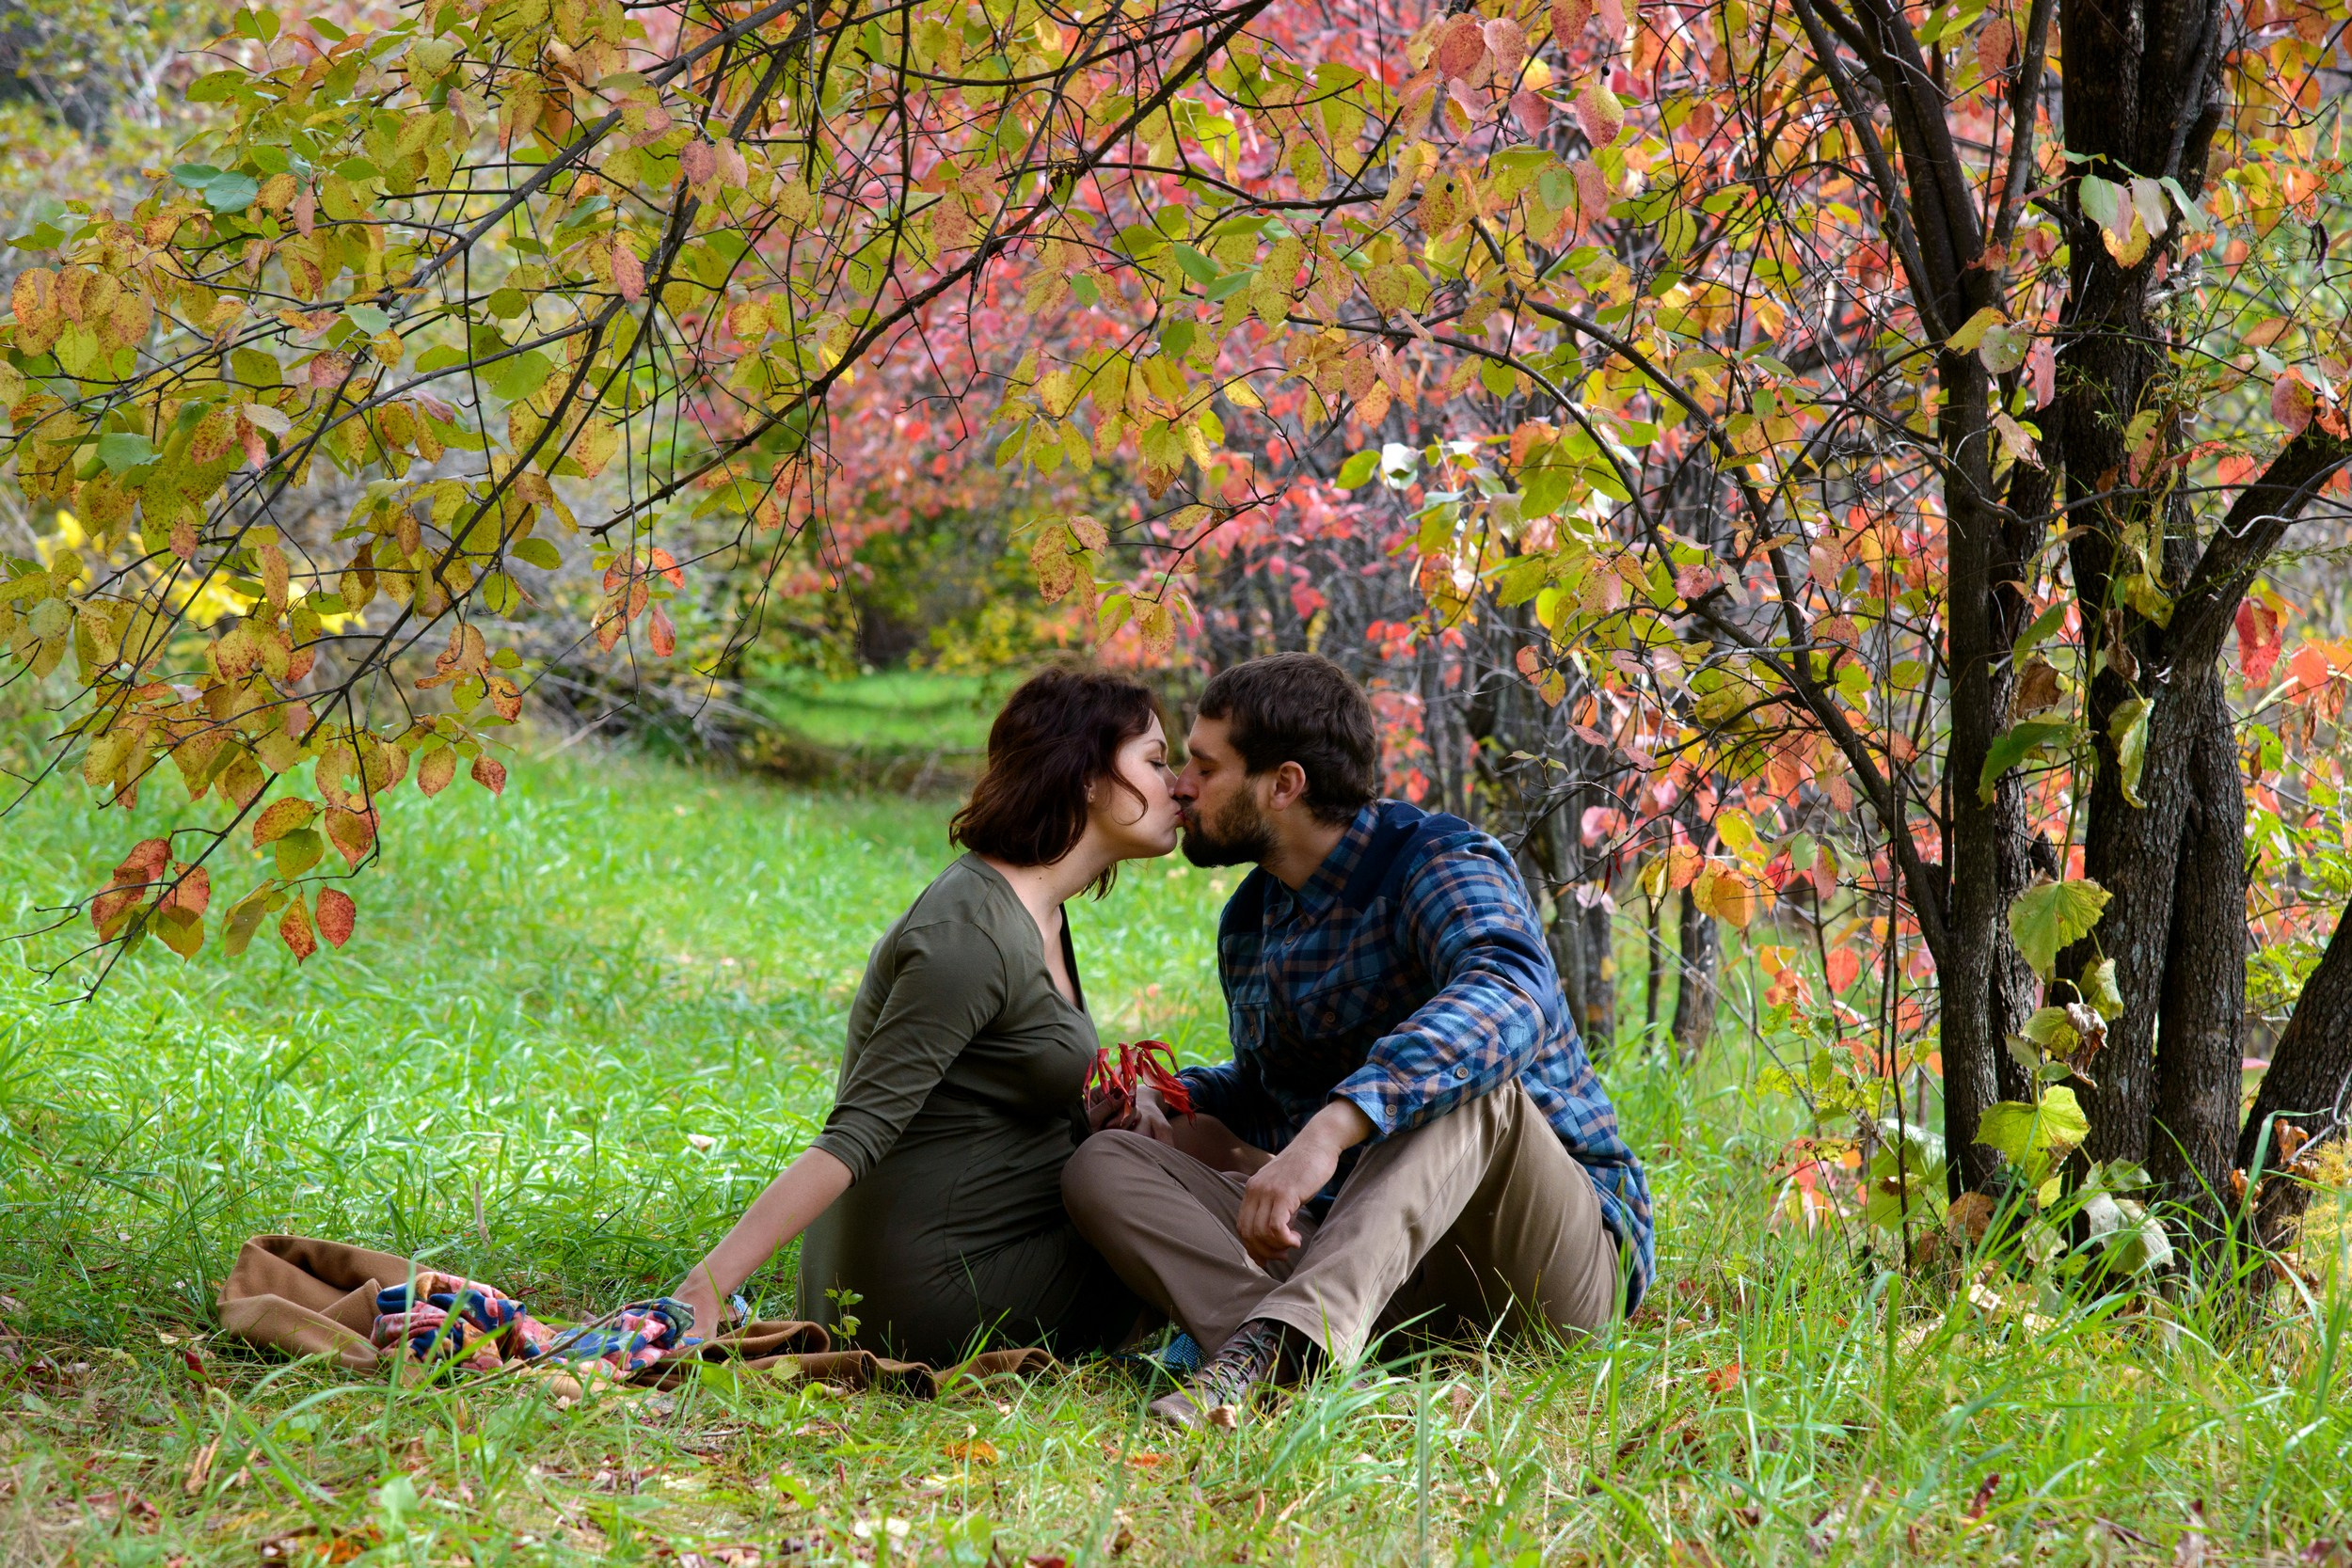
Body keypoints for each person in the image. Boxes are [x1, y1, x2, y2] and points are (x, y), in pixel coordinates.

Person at [1062, 652, 1655, 1428]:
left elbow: (1514, 992)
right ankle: (1283, 1351)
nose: (1179, 784)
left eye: (1204, 767)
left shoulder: (1437, 858)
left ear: (1284, 784)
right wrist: (1172, 1102)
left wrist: (1336, 1126)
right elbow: (1272, 1089)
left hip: (1542, 1264)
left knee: (1464, 1088)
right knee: (1103, 1162)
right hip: (1377, 1261)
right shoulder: (1253, 918)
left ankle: (1278, 1342)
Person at [675, 668, 1178, 1365]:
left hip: (975, 1248)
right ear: (1088, 775)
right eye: (1155, 761)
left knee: (1195, 1152)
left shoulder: (1040, 909)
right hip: (926, 1292)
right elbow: (857, 1130)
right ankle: (1291, 1336)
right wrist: (705, 1288)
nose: (1177, 783)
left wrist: (1088, 1121)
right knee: (1204, 1211)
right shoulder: (970, 931)